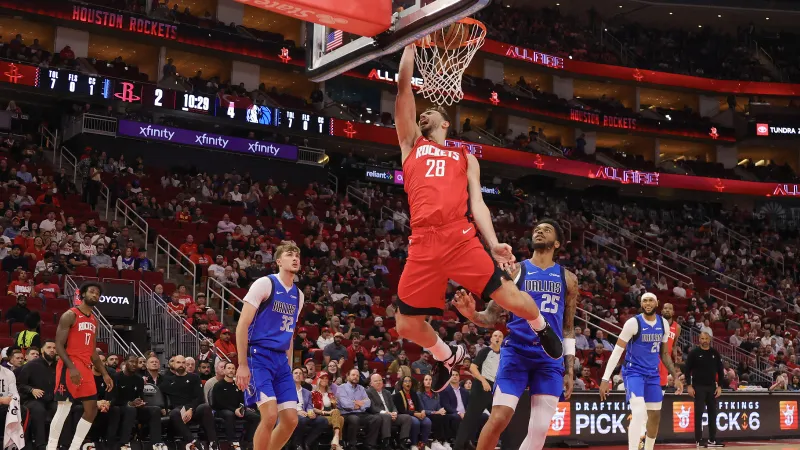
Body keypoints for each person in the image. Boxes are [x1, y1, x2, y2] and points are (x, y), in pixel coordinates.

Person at [393, 44, 561, 391]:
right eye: (420, 113)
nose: (423, 115)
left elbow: (478, 203)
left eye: (430, 113)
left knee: (511, 299)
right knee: (406, 326)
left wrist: (494, 241)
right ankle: (446, 354)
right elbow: (403, 86)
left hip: (459, 237)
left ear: (445, 123)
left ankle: (542, 327)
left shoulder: (464, 156)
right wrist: (410, 42)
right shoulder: (410, 145)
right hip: (423, 241)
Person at [452, 220, 577, 450]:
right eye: (536, 229)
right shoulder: (516, 270)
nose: (539, 231)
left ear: (557, 242)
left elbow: (568, 329)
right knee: (499, 417)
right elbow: (490, 317)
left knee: (539, 430)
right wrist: (471, 314)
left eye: (546, 229)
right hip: (517, 352)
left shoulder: (568, 279)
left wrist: (569, 369)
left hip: (549, 359)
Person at [235, 241, 303, 450]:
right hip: (258, 356)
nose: (295, 259)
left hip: (281, 360)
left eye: (297, 256)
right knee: (270, 415)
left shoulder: (298, 295)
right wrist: (242, 364)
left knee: (291, 420)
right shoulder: (265, 284)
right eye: (290, 255)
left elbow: (289, 334)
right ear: (279, 261)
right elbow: (242, 325)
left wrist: (289, 366)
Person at [599, 292, 683, 450]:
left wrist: (675, 376)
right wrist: (605, 379)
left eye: (651, 300)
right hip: (634, 372)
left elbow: (664, 353)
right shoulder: (633, 323)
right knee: (638, 413)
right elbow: (617, 351)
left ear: (657, 303)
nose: (648, 303)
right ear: (641, 303)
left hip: (653, 374)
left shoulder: (663, 324)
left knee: (655, 416)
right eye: (645, 301)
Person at [47, 282, 114, 450]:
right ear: (83, 294)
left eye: (98, 294)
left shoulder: (94, 320)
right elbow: (59, 345)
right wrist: (71, 367)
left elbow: (92, 351)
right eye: (92, 292)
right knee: (64, 408)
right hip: (69, 364)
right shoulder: (70, 315)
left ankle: (75, 447)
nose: (95, 295)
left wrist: (105, 373)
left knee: (91, 409)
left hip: (85, 366)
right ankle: (51, 447)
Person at [453, 330, 502, 450]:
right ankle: (458, 446)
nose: (497, 338)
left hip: (494, 388)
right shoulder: (485, 351)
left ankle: (496, 444)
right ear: (491, 339)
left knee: (499, 418)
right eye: (495, 335)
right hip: (481, 386)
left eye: (500, 336)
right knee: (470, 418)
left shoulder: (503, 354)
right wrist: (483, 381)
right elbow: (473, 367)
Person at [684, 328, 724, 448]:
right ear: (699, 340)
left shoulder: (714, 353)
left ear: (710, 340)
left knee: (713, 414)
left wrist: (720, 386)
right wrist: (689, 385)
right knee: (699, 414)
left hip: (712, 387)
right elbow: (687, 370)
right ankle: (699, 439)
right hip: (698, 387)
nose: (704, 340)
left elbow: (720, 371)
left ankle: (712, 439)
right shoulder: (694, 353)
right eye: (702, 338)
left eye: (706, 338)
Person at [212, 362, 260, 447]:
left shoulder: (238, 385)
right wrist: (234, 410)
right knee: (229, 415)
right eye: (229, 368)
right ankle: (232, 441)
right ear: (224, 370)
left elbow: (242, 400)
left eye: (233, 368)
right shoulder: (218, 385)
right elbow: (218, 403)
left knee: (255, 417)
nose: (231, 370)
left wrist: (241, 408)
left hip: (237, 409)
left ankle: (246, 440)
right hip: (222, 410)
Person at [336, 368, 381, 450]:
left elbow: (368, 402)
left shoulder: (361, 388)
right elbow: (345, 404)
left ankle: (369, 444)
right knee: (354, 419)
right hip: (346, 414)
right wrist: (358, 403)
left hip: (361, 413)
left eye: (357, 375)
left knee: (376, 418)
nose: (355, 377)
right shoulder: (341, 388)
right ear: (348, 376)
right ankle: (351, 445)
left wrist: (357, 403)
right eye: (353, 375)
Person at [367, 373, 413, 448]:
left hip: (391, 415)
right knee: (387, 416)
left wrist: (394, 413)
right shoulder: (368, 392)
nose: (379, 382)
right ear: (371, 383)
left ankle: (402, 442)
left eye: (380, 380)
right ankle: (386, 442)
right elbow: (372, 407)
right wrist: (386, 413)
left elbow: (393, 406)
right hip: (378, 415)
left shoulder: (387, 392)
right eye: (376, 381)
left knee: (407, 418)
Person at [290, 367, 328, 450]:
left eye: (300, 373)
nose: (298, 375)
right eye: (296, 373)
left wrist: (311, 413)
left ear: (303, 377)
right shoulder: (287, 390)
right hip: (292, 414)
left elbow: (309, 406)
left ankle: (307, 442)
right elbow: (285, 405)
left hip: (305, 414)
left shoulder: (307, 392)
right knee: (302, 419)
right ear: (291, 376)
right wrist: (297, 412)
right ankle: (297, 444)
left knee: (323, 421)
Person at [394, 375, 431, 450]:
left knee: (427, 421)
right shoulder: (397, 395)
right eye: (406, 381)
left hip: (416, 413)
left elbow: (419, 406)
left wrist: (422, 411)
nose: (408, 383)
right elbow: (401, 410)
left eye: (409, 381)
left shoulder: (414, 394)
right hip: (406, 415)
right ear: (402, 384)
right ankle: (413, 444)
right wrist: (414, 413)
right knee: (415, 422)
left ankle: (423, 444)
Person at [310, 372, 344, 450]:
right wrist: (326, 412)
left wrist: (334, 404)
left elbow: (335, 408)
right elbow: (313, 408)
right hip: (320, 416)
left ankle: (335, 440)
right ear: (318, 380)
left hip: (331, 415)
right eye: (322, 378)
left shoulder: (330, 394)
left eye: (326, 378)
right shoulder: (313, 393)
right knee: (340, 419)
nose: (325, 380)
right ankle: (337, 441)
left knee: (338, 414)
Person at [659, 303, 682, 388]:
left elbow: (674, 344)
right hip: (655, 357)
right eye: (665, 308)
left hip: (666, 359)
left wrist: (675, 355)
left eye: (670, 308)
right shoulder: (656, 323)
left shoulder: (677, 327)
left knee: (662, 384)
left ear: (673, 312)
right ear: (661, 311)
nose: (667, 310)